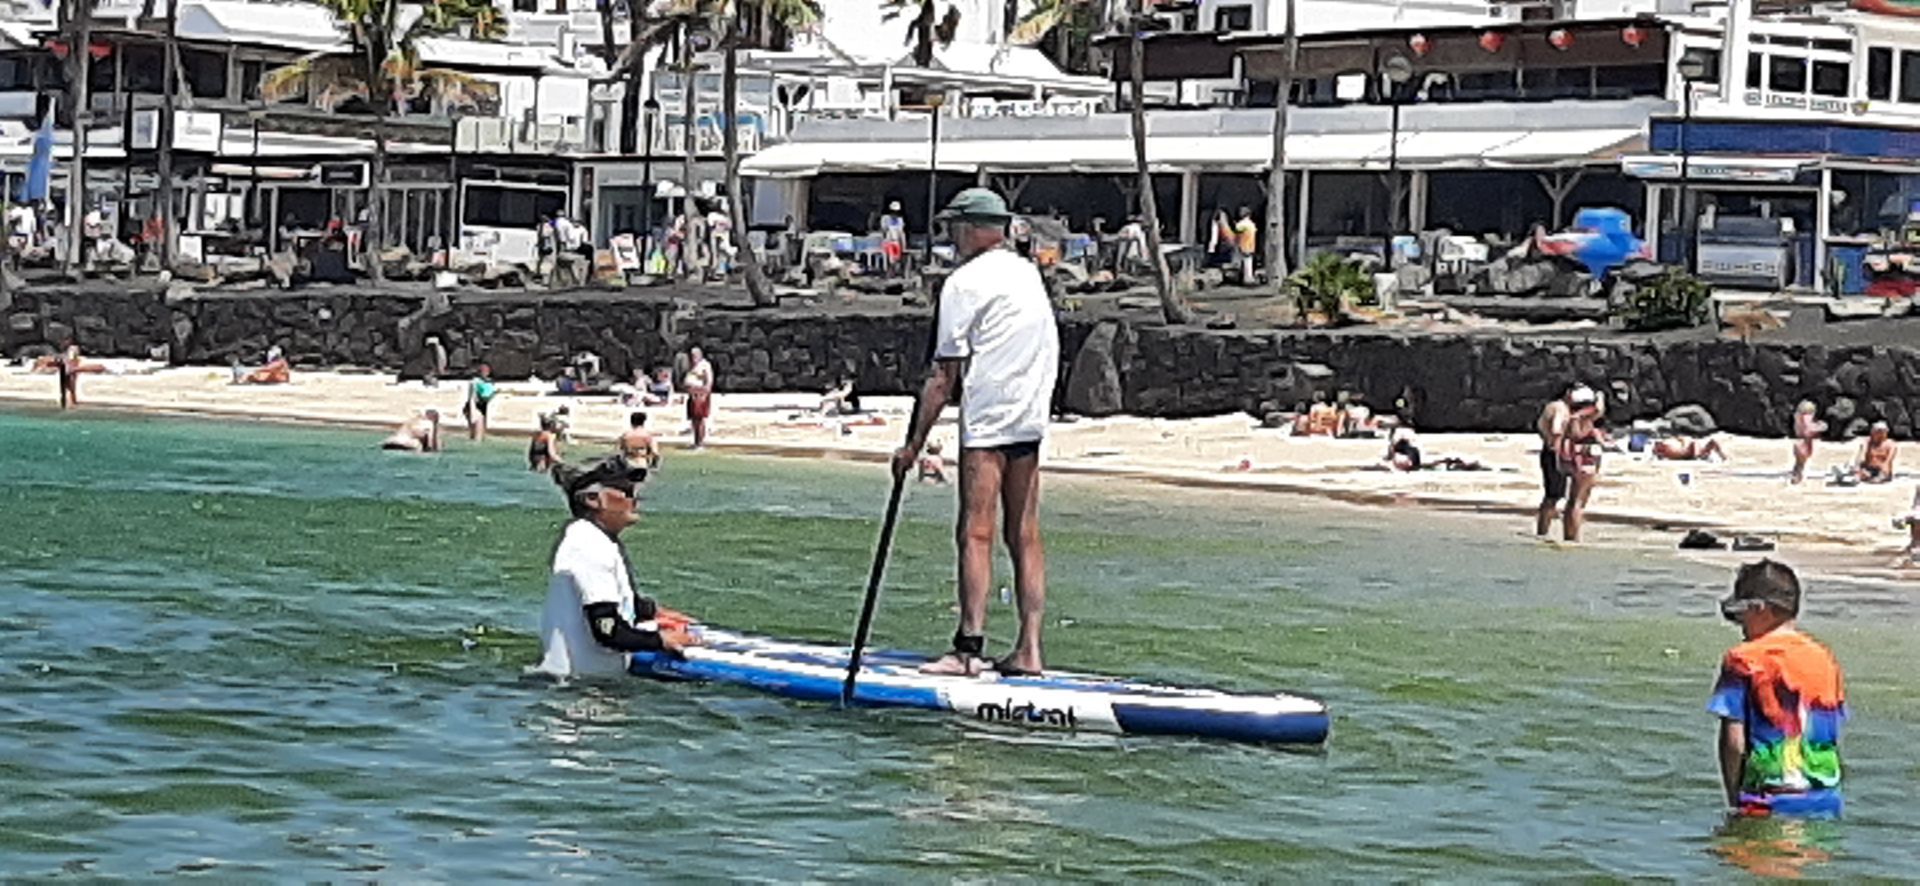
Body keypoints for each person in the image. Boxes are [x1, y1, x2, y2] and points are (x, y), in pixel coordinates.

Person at [891, 188, 1060, 676]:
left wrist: (912, 446)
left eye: (953, 227)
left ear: (971, 228)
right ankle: (1030, 649)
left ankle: (967, 650)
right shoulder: (1028, 274)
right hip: (1030, 415)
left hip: (989, 418)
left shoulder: (964, 283)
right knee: (1024, 533)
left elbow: (944, 376)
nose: (950, 236)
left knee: (975, 531)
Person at [533, 456, 698, 679]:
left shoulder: (590, 537)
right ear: (593, 499)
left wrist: (652, 612)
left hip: (584, 686)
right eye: (626, 491)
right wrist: (661, 640)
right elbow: (608, 630)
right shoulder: (589, 545)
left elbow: (611, 600)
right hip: (581, 697)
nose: (635, 499)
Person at [1708, 560, 1846, 819]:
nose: (1740, 625)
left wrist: (1734, 799)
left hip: (1768, 797)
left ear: (1760, 610)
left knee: (1746, 857)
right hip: (1825, 797)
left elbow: (1734, 742)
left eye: (1741, 615)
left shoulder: (1743, 660)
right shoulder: (1824, 659)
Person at [1558, 386, 1607, 543]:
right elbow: (1599, 409)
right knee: (1579, 501)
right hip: (1584, 458)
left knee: (1573, 499)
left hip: (1573, 456)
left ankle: (1569, 534)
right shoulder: (1583, 417)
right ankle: (1574, 536)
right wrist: (1600, 395)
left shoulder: (1570, 416)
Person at [1535, 385, 1577, 537]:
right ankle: (1543, 531)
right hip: (1555, 451)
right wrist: (1560, 448)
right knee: (1554, 495)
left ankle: (1542, 531)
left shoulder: (1550, 406)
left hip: (1547, 450)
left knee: (1551, 494)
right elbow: (1556, 429)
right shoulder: (1561, 408)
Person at [684, 347, 715, 449]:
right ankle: (695, 441)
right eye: (692, 355)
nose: (693, 357)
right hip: (692, 393)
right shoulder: (691, 365)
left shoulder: (705, 365)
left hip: (700, 394)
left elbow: (709, 381)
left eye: (695, 355)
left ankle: (700, 442)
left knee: (700, 418)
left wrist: (704, 394)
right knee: (693, 419)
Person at [1791, 401, 1827, 485]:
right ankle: (1797, 477)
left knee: (1799, 463)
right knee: (1801, 462)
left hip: (1798, 440)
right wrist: (1820, 427)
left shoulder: (1797, 416)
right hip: (1805, 441)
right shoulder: (1806, 417)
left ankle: (1796, 476)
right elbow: (1808, 428)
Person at [465, 363, 497, 441]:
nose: (486, 373)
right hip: (475, 407)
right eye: (484, 371)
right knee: (477, 432)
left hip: (481, 406)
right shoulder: (475, 382)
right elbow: (472, 398)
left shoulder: (487, 382)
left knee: (480, 431)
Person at [880, 201, 907, 276]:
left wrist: (904, 244)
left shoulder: (900, 220)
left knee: (897, 258)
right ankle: (889, 273)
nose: (895, 213)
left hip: (896, 241)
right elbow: (884, 230)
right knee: (890, 259)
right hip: (888, 241)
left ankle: (894, 273)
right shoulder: (885, 218)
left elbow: (901, 232)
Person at [1655, 435, 1728, 462]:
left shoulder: (1664, 448)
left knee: (1712, 442)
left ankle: (1722, 455)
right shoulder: (1664, 448)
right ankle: (1722, 455)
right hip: (1688, 451)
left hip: (1688, 451)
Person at [1234, 205, 1259, 284]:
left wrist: (1234, 223)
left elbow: (1237, 229)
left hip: (1244, 244)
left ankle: (1247, 277)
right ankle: (1248, 276)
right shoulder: (1252, 224)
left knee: (1245, 262)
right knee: (1249, 261)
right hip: (1251, 245)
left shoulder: (1243, 224)